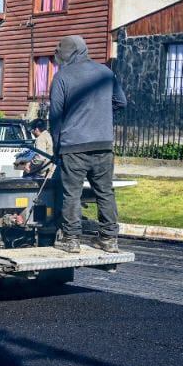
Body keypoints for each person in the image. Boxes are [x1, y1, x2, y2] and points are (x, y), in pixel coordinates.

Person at [48, 35, 126, 254]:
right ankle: (109, 239)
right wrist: (100, 113)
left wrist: (57, 147)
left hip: (74, 146)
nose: (58, 56)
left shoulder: (62, 77)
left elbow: (55, 117)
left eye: (59, 52)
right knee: (105, 192)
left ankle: (71, 240)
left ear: (67, 53)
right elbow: (121, 102)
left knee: (71, 194)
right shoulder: (106, 73)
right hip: (103, 145)